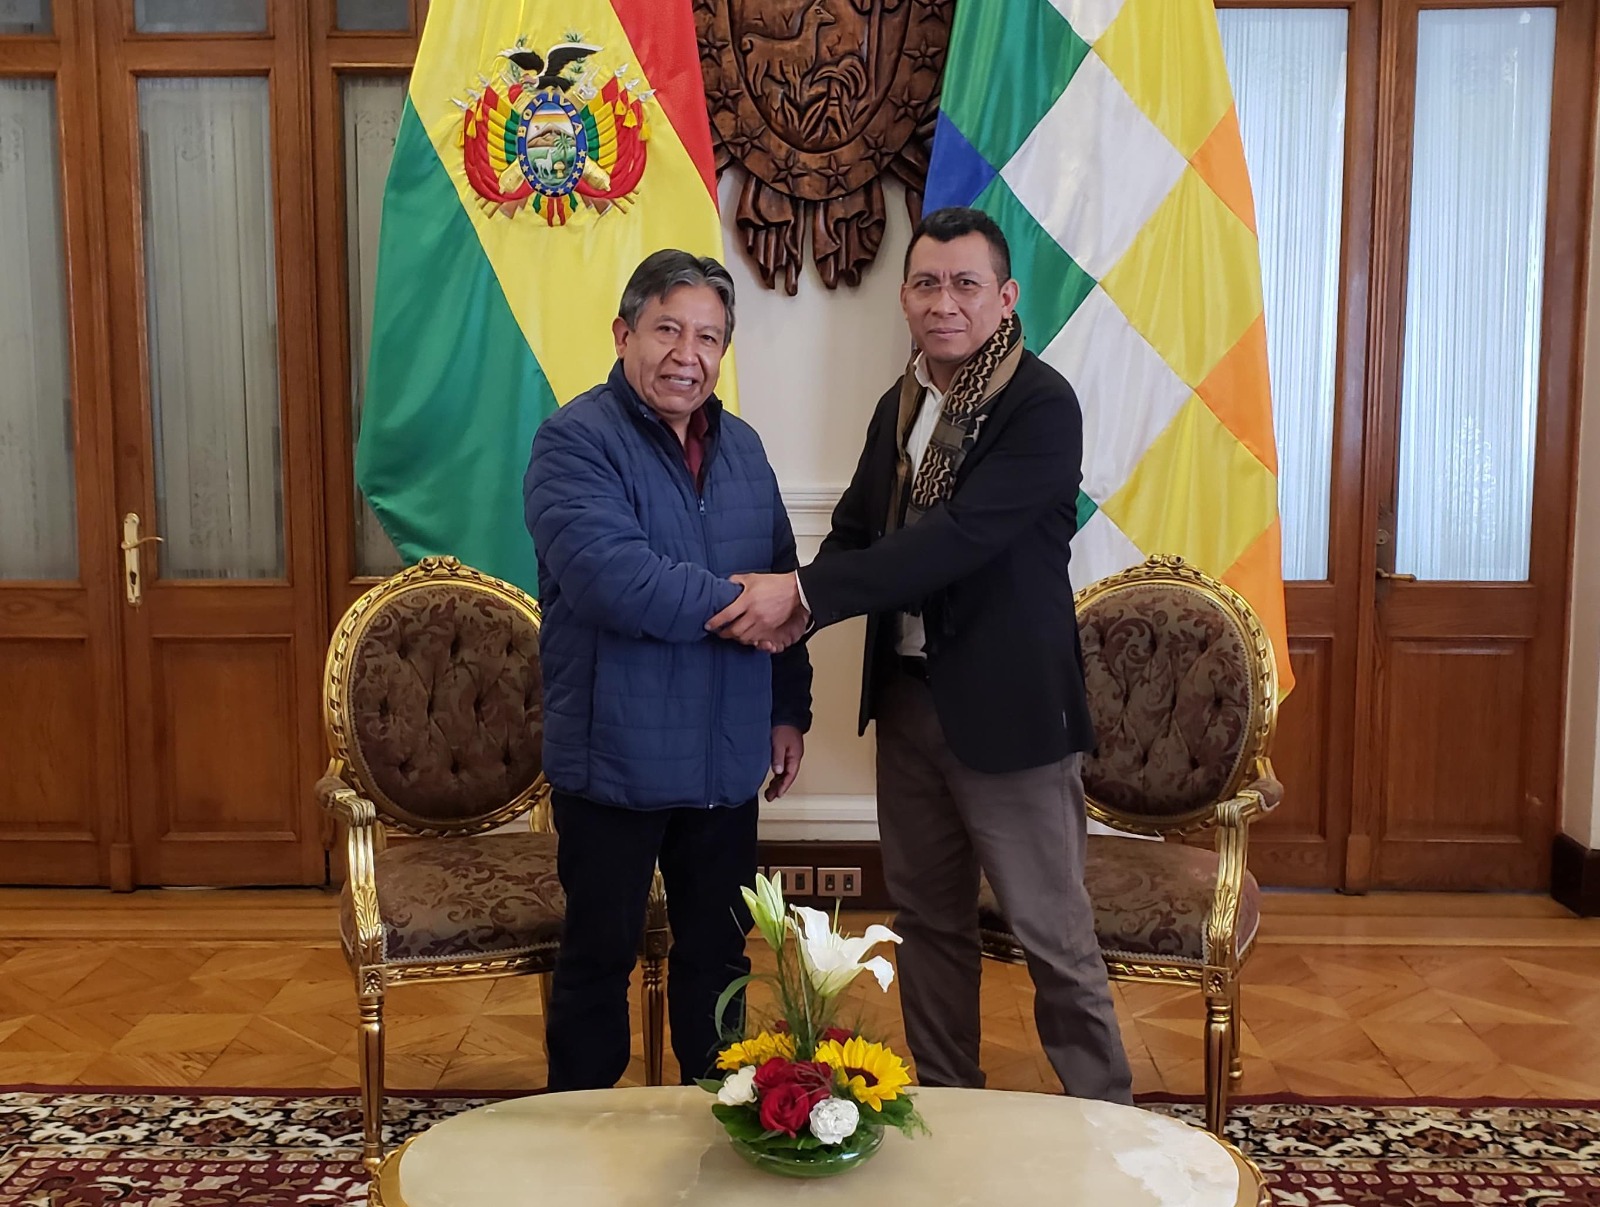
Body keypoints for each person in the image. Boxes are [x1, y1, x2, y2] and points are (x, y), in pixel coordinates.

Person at [706, 207, 1131, 1102]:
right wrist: (797, 615)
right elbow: (860, 533)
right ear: (904, 296)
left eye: (966, 284)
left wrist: (804, 598)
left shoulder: (1041, 405)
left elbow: (958, 539)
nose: (946, 303)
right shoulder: (899, 404)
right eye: (928, 283)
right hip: (908, 706)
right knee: (930, 924)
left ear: (1005, 296)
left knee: (1054, 937)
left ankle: (1111, 1123)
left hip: (1010, 716)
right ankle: (951, 1109)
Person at [524, 249, 812, 1090]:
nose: (688, 353)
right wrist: (746, 600)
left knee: (719, 959)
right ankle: (577, 1131)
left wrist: (786, 706)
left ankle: (715, 1123)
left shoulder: (745, 448)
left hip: (724, 760)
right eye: (668, 329)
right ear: (624, 334)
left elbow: (786, 579)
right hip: (614, 759)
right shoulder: (572, 441)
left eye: (709, 337)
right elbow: (618, 581)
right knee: (598, 960)